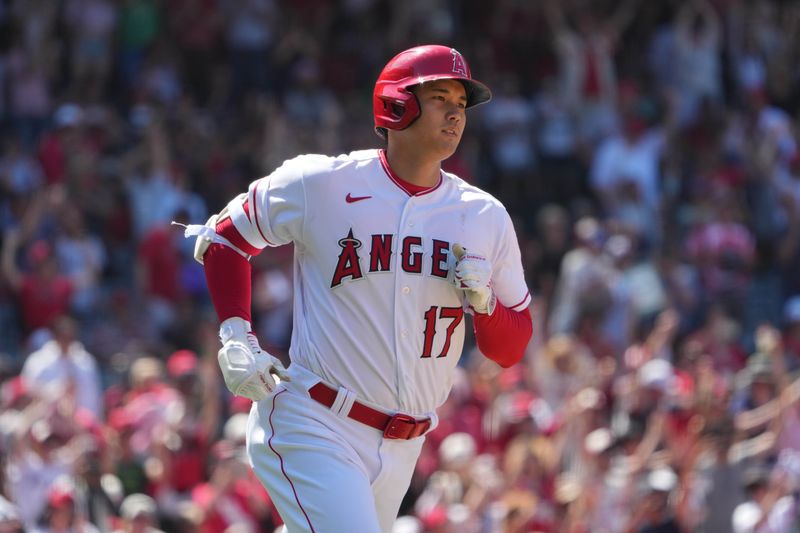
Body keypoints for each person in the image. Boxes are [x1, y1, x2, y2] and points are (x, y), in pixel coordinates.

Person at [184, 44, 533, 532]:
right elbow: (224, 238)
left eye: (462, 103)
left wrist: (487, 305)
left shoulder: (484, 216)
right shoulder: (322, 182)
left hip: (404, 446)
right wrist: (236, 335)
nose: (456, 113)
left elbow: (511, 348)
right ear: (396, 103)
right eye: (440, 97)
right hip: (316, 420)